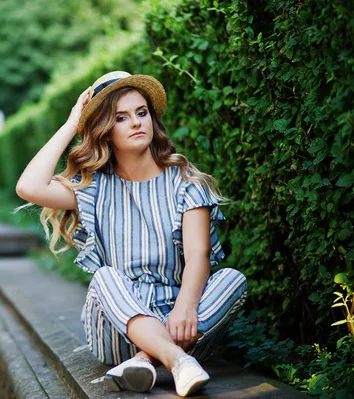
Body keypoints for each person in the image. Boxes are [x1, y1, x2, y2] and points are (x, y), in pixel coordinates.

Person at [15, 71, 247, 397]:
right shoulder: (94, 187)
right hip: (117, 329)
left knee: (232, 280)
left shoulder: (187, 184)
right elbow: (28, 187)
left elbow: (198, 255)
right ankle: (176, 359)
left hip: (183, 322)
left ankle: (146, 360)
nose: (136, 122)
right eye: (121, 118)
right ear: (106, 132)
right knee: (105, 276)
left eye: (142, 113)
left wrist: (185, 307)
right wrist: (72, 124)